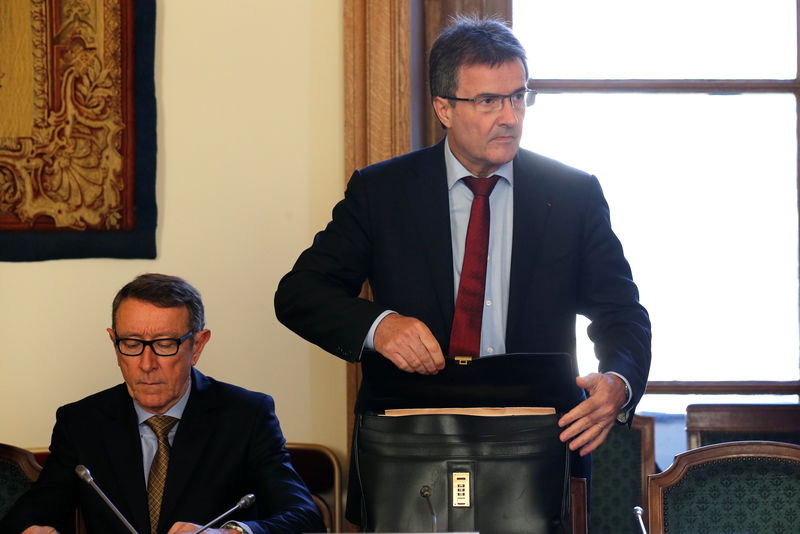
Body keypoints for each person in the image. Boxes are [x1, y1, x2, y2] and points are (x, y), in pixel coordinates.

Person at [275, 15, 651, 524]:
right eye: (489, 101)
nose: (510, 117)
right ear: (443, 108)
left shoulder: (572, 195)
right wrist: (378, 326)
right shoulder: (382, 192)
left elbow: (623, 314)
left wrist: (618, 382)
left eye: (519, 97)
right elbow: (299, 293)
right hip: (408, 442)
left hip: (537, 447)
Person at [2, 274, 324, 534]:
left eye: (164, 344)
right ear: (115, 345)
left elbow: (304, 517)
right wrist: (32, 528)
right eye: (131, 344)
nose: (146, 363)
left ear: (197, 346)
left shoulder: (246, 416)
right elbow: (34, 510)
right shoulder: (82, 422)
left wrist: (232, 533)